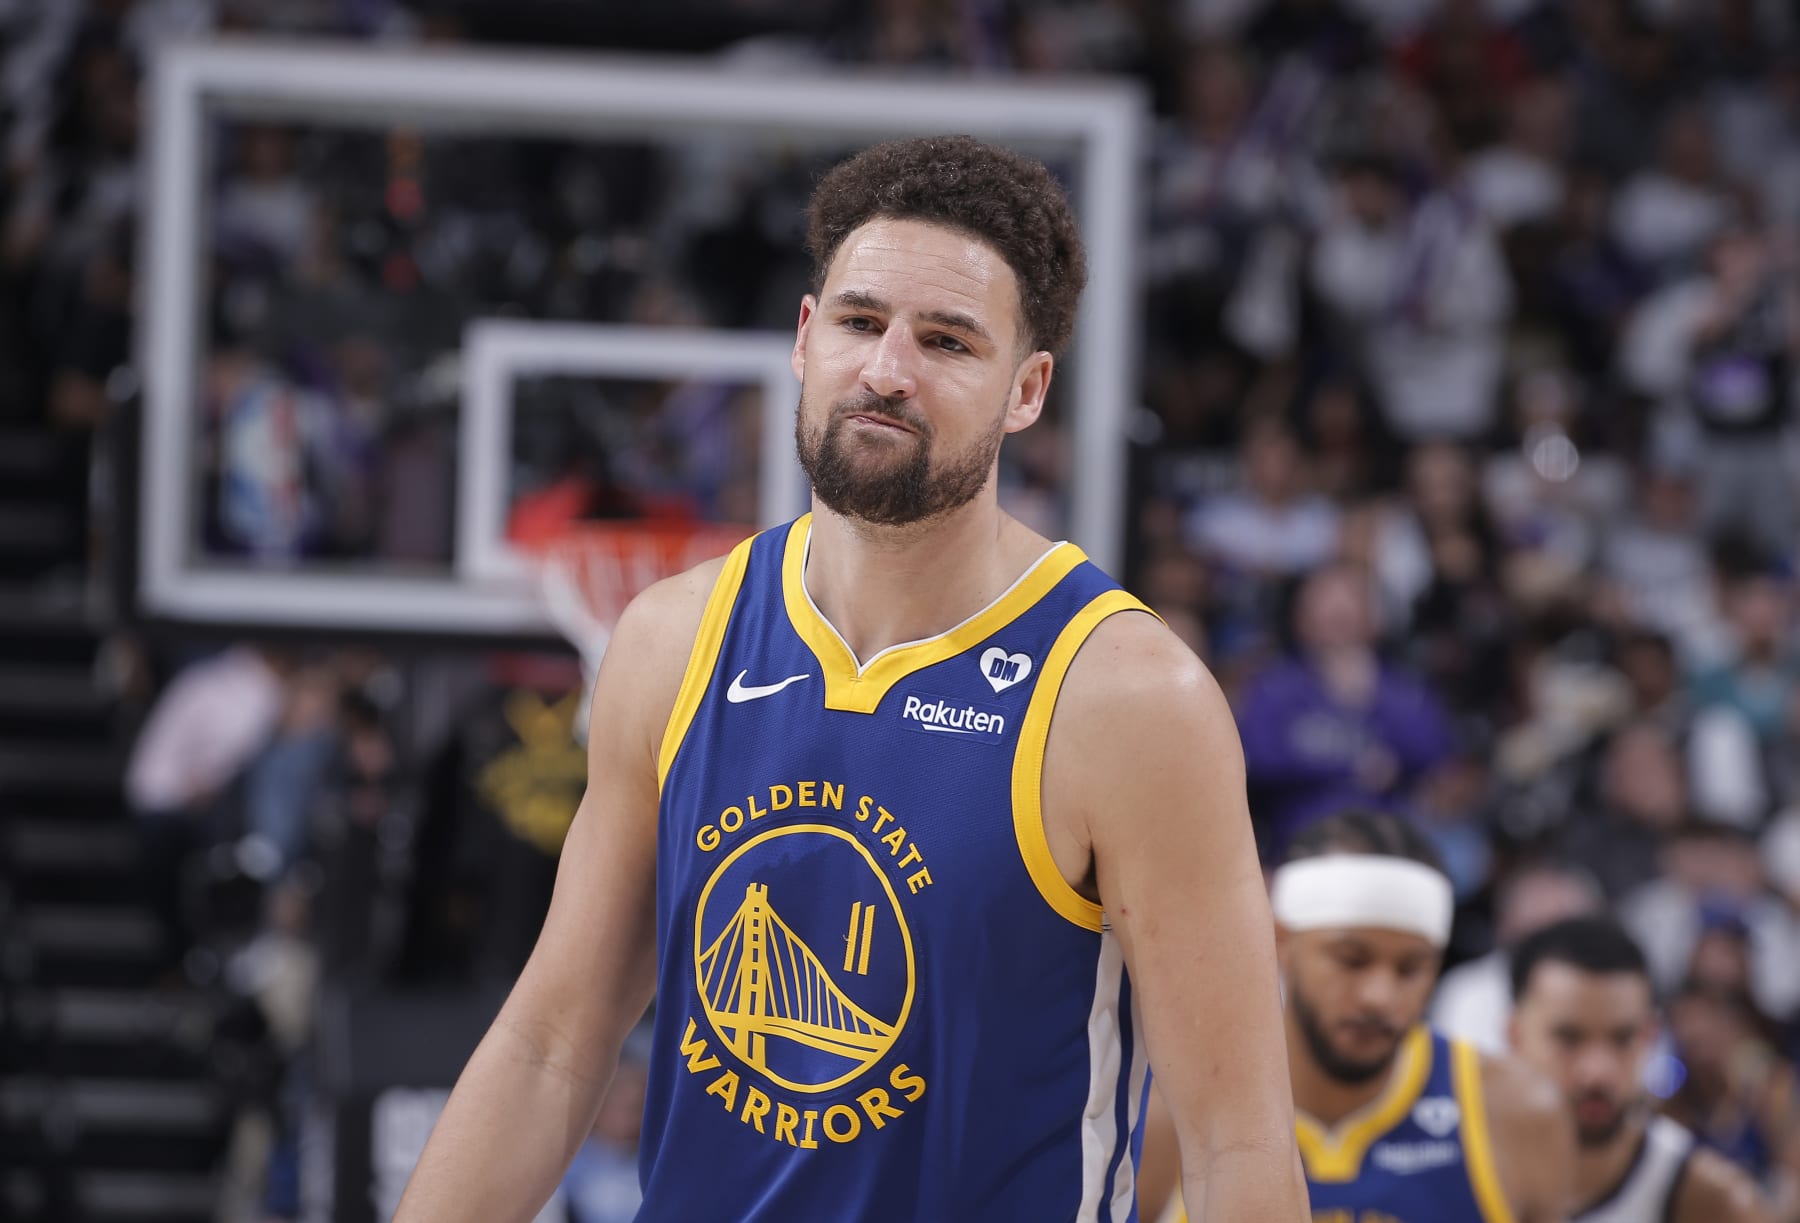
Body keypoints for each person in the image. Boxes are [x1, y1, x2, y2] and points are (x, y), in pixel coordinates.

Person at [396, 135, 1307, 1221]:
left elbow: (1236, 1140)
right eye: (860, 322)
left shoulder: (1129, 698)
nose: (887, 371)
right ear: (803, 336)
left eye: (947, 340)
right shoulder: (674, 639)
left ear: (1026, 390)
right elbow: (552, 1042)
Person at [1143, 810, 1573, 1223]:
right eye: (1351, 960)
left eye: (1410, 968)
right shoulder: (1168, 1119)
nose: (1379, 997)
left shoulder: (1518, 1112)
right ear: (1280, 942)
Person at [1507, 916, 1769, 1223]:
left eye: (1623, 1039)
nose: (1598, 1072)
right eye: (1569, 1038)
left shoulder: (1714, 1200)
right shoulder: (1464, 1167)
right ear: (1515, 1035)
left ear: (1650, 1035)